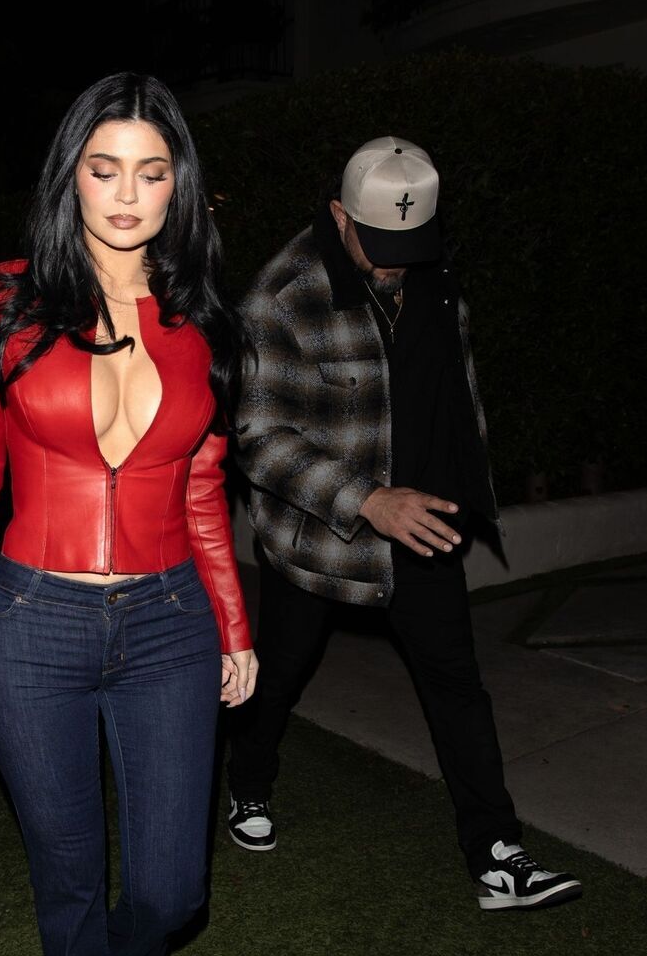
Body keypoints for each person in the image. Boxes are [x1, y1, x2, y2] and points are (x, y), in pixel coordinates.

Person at [0, 72, 258, 956]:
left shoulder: (204, 320)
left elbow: (203, 486)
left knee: (171, 887)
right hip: (31, 626)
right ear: (72, 177)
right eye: (105, 170)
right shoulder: (4, 297)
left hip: (167, 622)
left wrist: (233, 622)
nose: (127, 195)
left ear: (178, 187)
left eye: (152, 173)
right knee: (66, 881)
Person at [227, 135, 581, 912]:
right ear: (337, 215)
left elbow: (449, 387)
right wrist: (366, 498)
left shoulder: (432, 276)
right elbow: (257, 438)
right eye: (379, 246)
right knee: (279, 675)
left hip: (422, 524)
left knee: (457, 688)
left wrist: (455, 484)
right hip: (317, 539)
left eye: (409, 246)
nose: (395, 266)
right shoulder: (280, 298)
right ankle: (248, 781)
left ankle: (495, 854)